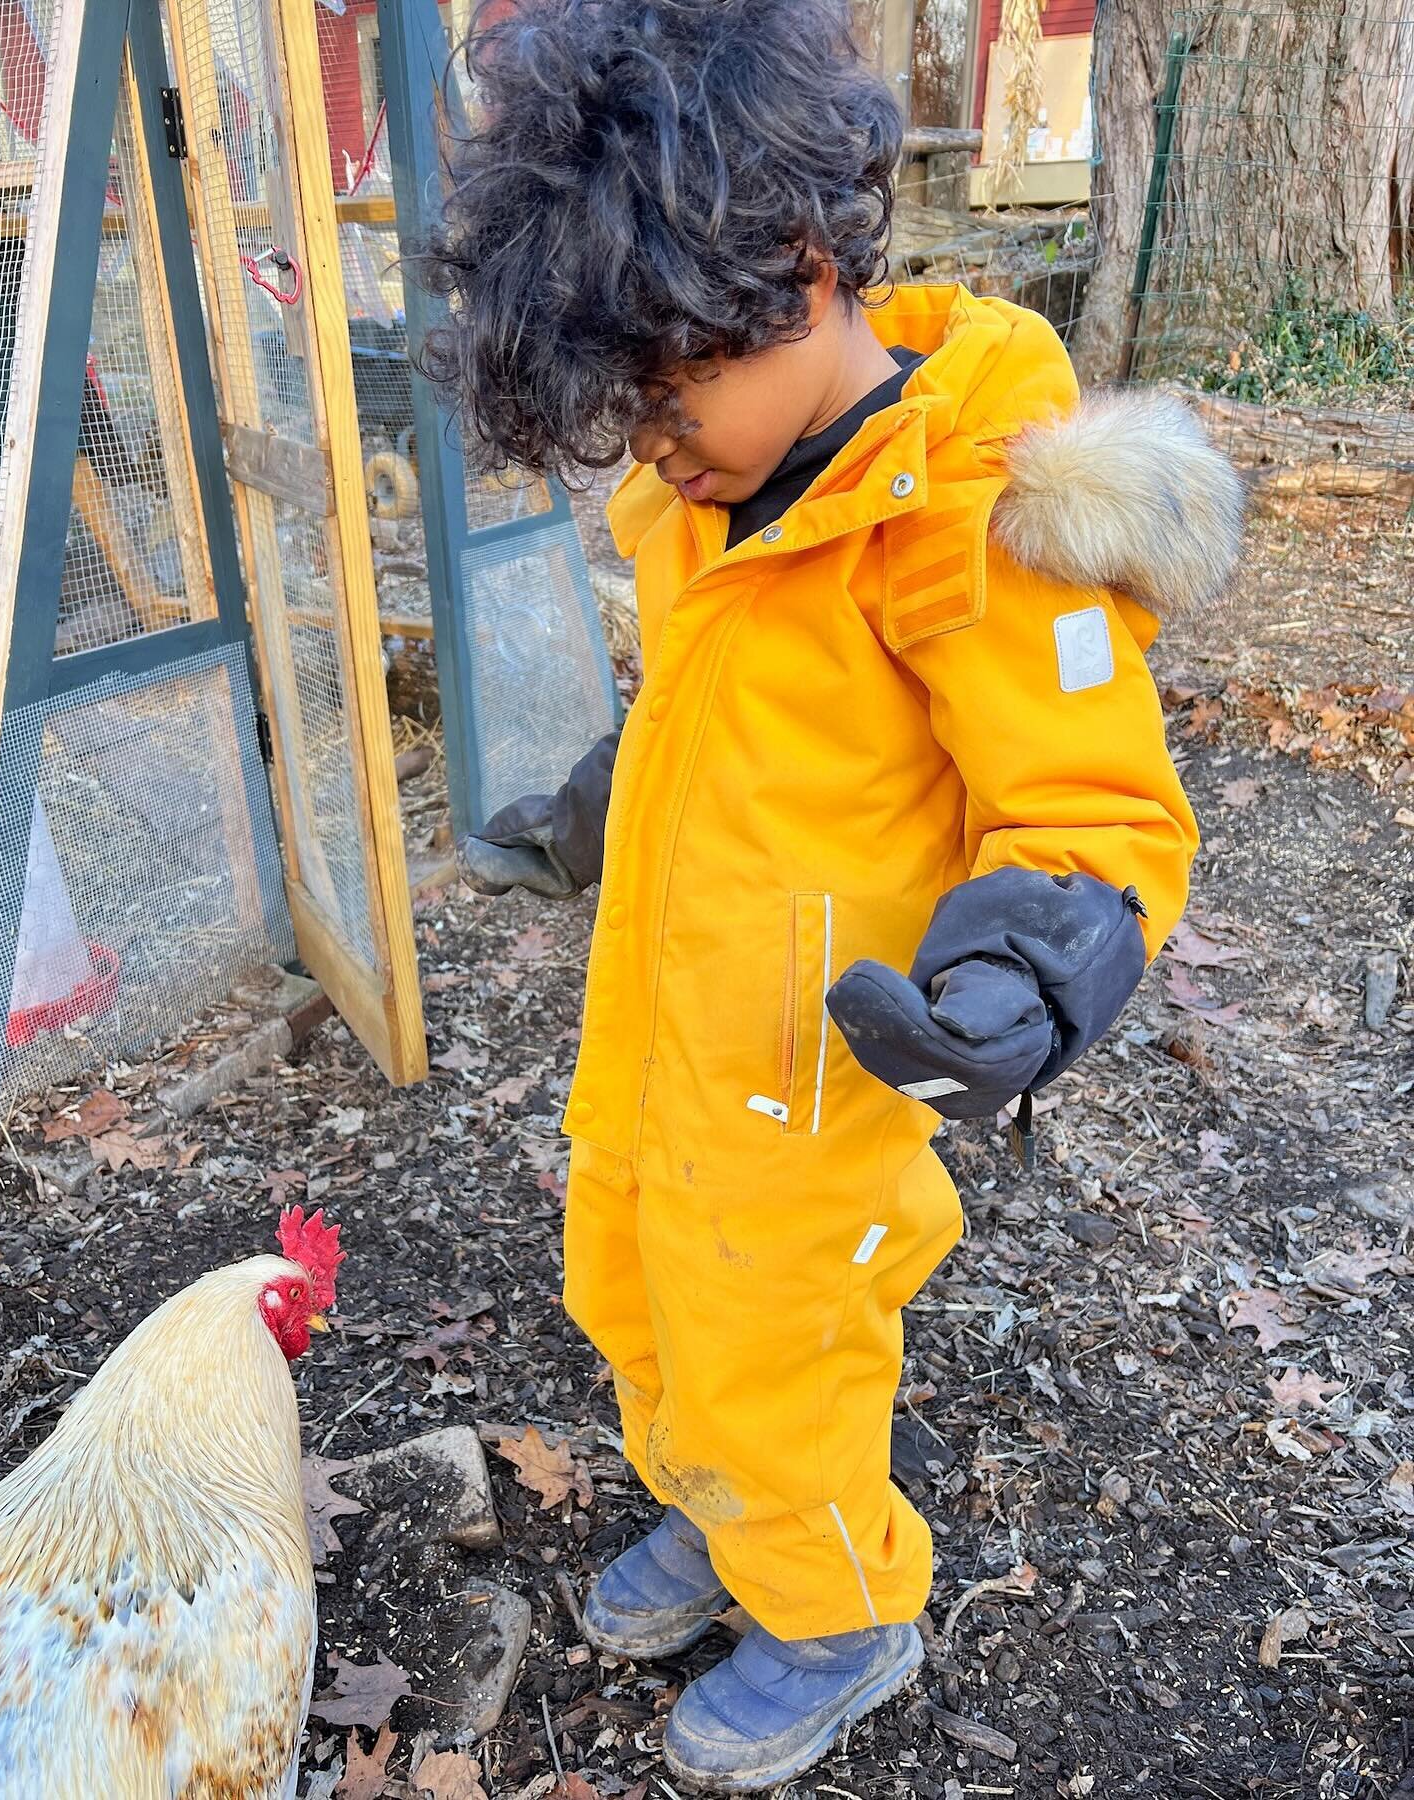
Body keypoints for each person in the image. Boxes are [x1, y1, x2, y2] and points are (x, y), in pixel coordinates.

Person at [423, 1, 1242, 1789]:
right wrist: (592, 813)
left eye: (657, 394)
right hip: (668, 1034)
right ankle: (728, 1518)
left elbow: (1090, 799)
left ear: (793, 269)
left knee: (775, 1345)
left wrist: (1029, 973)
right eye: (614, 412)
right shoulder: (706, 496)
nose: (643, 445)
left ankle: (842, 1601)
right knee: (636, 1287)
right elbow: (701, 715)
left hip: (819, 1071)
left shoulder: (976, 520)